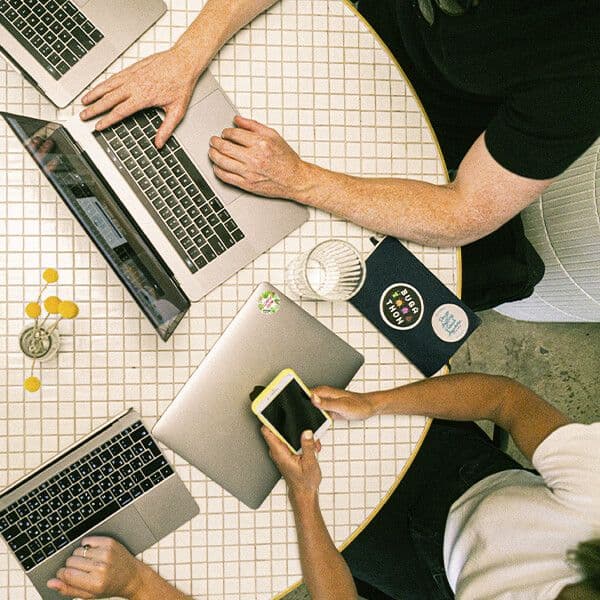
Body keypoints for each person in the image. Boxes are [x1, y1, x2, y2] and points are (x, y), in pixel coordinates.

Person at [77, 0, 600, 308]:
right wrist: (186, 55)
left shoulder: (582, 61)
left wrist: (298, 179)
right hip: (350, 27)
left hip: (427, 141)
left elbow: (464, 212)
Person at [47, 373, 600, 599]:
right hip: (466, 474)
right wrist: (377, 402)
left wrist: (138, 584)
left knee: (250, 523)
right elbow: (507, 401)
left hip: (430, 572)